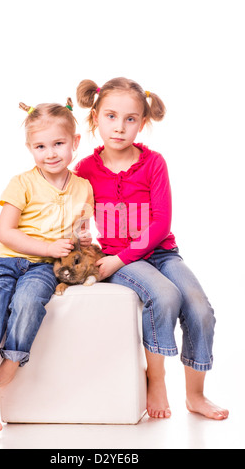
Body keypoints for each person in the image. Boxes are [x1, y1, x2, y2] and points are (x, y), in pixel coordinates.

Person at [75, 78, 229, 420]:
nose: (120, 127)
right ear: (95, 118)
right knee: (163, 295)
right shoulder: (84, 169)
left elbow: (160, 223)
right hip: (119, 259)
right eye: (111, 116)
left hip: (159, 253)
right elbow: (72, 207)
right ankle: (155, 379)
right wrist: (86, 242)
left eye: (130, 119)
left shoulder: (153, 163)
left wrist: (119, 259)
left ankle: (195, 395)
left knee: (200, 308)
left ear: (142, 123)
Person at [0, 98, 94, 436]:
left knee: (29, 302)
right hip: (6, 259)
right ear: (30, 148)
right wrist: (48, 246)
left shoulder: (83, 187)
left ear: (75, 143)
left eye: (58, 144)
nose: (50, 153)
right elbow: (5, 232)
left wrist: (83, 257)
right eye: (40, 146)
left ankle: (9, 366)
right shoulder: (21, 183)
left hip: (43, 268)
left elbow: (82, 235)